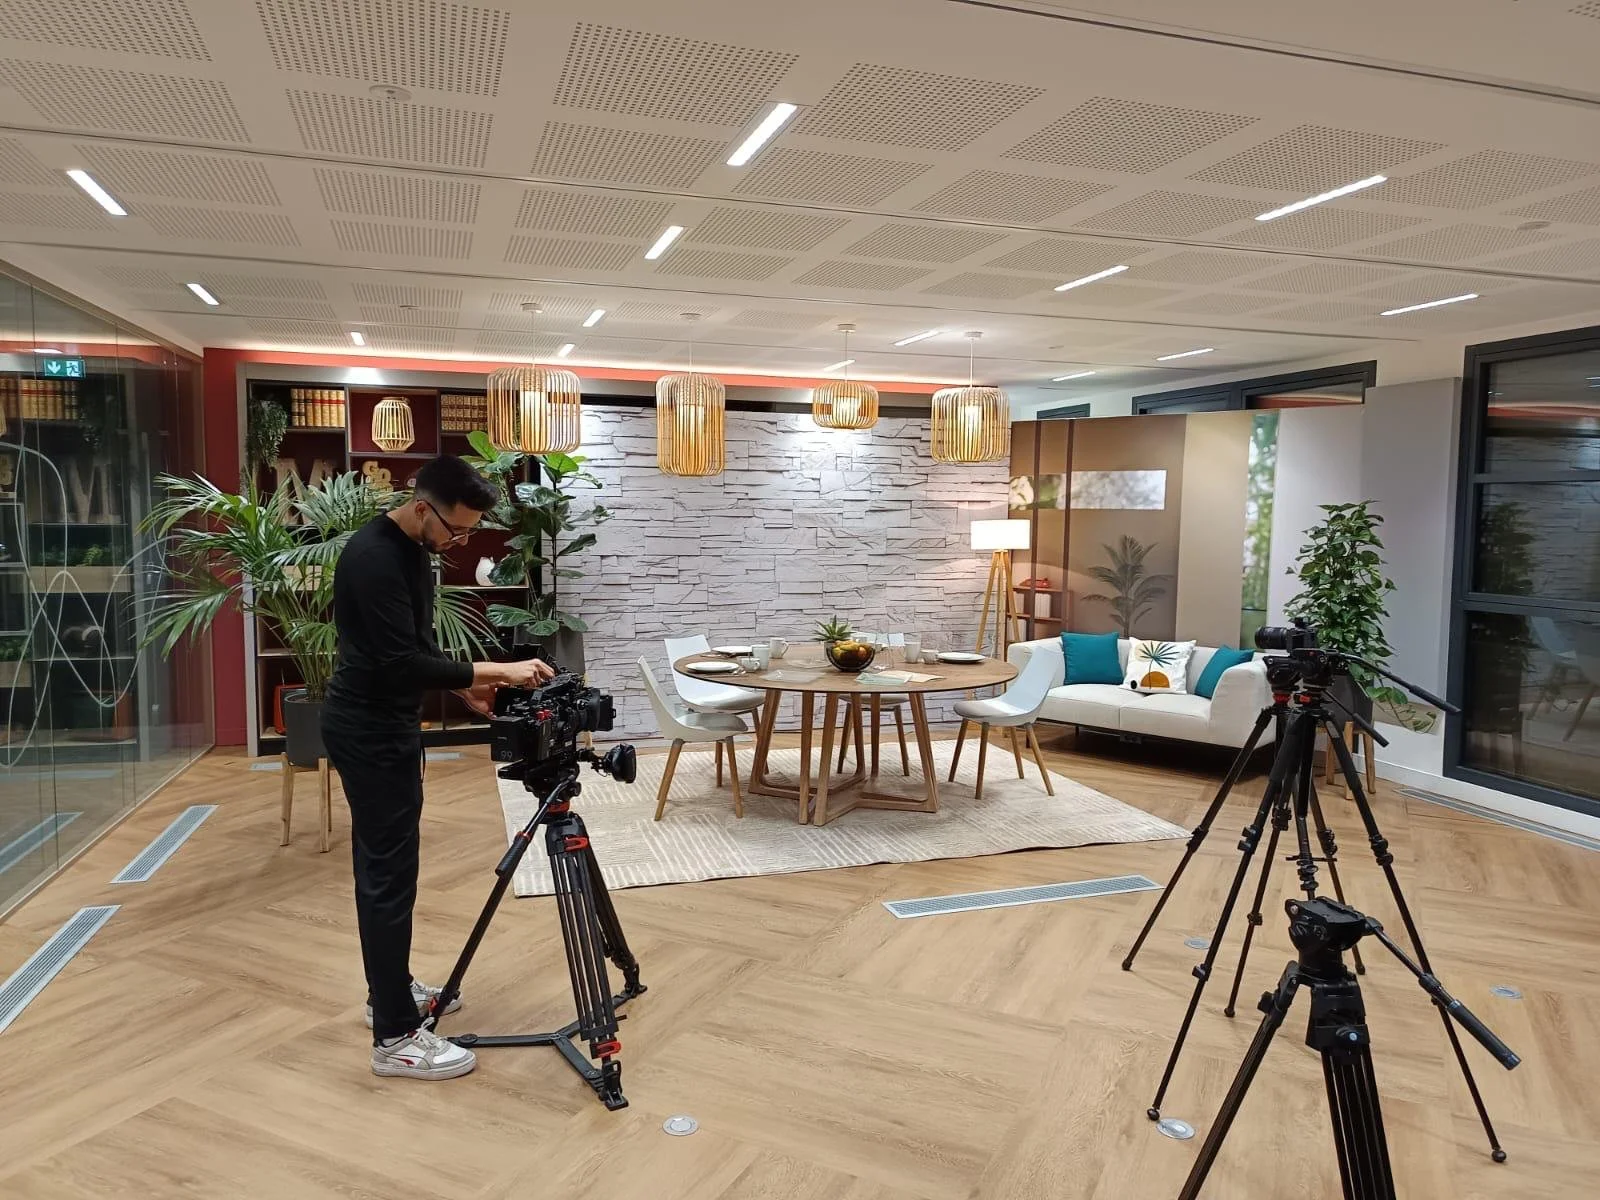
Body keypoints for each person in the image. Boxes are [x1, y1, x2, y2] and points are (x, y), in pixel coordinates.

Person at [322, 454, 553, 1081]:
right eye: (456, 530)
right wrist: (495, 671)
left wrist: (462, 691)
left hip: (390, 724)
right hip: (367, 728)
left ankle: (389, 995)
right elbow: (397, 663)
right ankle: (395, 1037)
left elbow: (416, 645)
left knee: (392, 868)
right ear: (423, 508)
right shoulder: (372, 557)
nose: (461, 542)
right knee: (387, 876)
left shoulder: (413, 555)